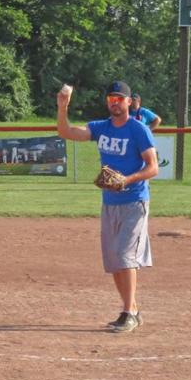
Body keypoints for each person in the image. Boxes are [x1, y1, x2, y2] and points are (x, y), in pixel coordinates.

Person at [57, 81, 159, 333]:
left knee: (125, 255)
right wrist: (62, 107)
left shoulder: (138, 129)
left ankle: (129, 313)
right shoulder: (101, 128)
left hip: (134, 201)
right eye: (111, 98)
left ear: (128, 102)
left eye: (119, 98)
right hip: (109, 202)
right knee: (114, 259)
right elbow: (67, 132)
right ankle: (132, 308)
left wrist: (127, 179)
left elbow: (153, 167)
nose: (114, 102)